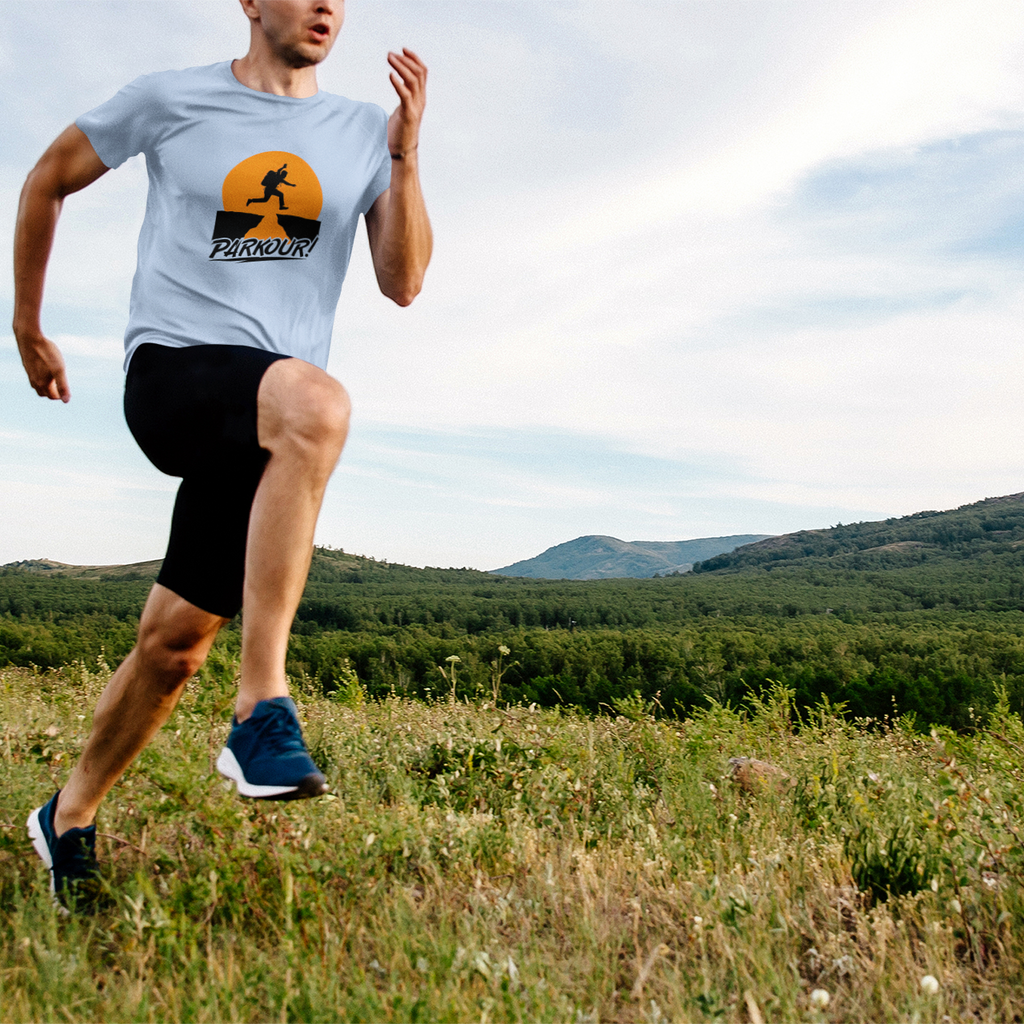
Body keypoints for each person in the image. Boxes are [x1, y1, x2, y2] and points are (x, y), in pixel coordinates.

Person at [13, 0, 432, 908]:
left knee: (172, 645)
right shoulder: (171, 99)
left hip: (267, 422)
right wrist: (29, 323)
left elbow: (402, 282)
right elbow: (45, 177)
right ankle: (261, 708)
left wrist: (402, 152)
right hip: (172, 375)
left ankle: (68, 817)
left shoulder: (363, 131)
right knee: (320, 404)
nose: (326, 5)